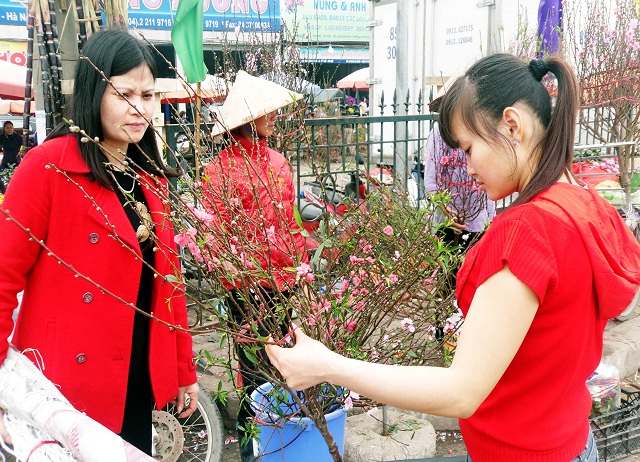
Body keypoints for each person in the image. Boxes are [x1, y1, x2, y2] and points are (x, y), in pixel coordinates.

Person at [266, 53, 640, 461]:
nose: (467, 166)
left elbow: (461, 391)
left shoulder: (528, 232)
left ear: (512, 125)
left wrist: (327, 366)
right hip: (572, 441)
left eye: (468, 147)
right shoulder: (589, 208)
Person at [0, 29, 198, 455]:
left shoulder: (149, 180)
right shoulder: (46, 168)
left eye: (148, 96)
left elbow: (169, 285)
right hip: (63, 382)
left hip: (134, 371)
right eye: (124, 93)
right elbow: (2, 278)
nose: (138, 108)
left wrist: (184, 369)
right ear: (94, 93)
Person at [202, 70, 308, 462]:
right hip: (276, 282)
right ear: (251, 119)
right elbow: (284, 226)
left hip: (237, 284)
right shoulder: (277, 164)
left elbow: (212, 235)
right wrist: (299, 265)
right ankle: (280, 443)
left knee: (248, 363)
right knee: (280, 360)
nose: (274, 117)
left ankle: (250, 448)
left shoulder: (214, 171)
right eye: (268, 113)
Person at [424, 122, 496, 250]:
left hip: (481, 221)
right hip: (450, 223)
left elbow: (490, 175)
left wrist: (490, 218)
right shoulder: (441, 132)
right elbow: (431, 184)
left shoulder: (483, 126)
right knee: (452, 268)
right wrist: (448, 212)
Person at [0, 121, 23, 194]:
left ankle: (18, 191)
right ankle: (5, 191)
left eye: (11, 128)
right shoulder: (2, 137)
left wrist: (21, 150)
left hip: (16, 161)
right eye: (7, 128)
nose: (9, 129)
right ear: (4, 129)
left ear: (13, 128)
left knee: (18, 178)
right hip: (5, 161)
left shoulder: (19, 137)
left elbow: (28, 145)